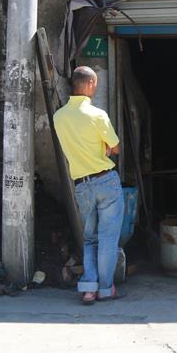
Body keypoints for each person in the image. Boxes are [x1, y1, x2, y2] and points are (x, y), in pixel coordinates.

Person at [53, 66, 124, 305]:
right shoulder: (98, 115)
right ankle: (105, 288)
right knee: (108, 237)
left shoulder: (59, 117)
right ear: (91, 84)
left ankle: (89, 288)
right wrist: (104, 148)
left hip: (81, 186)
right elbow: (115, 148)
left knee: (90, 238)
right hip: (106, 181)